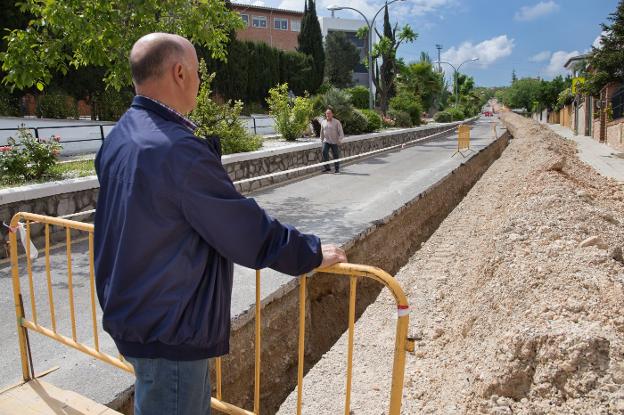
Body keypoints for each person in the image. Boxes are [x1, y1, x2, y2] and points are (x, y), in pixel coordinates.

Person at [93, 33, 347, 415]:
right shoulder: (176, 149)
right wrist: (308, 253)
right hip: (170, 329)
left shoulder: (121, 135)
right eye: (198, 73)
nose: (200, 82)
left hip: (134, 314)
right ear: (180, 72)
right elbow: (242, 228)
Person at [320, 108, 344, 173]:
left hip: (334, 141)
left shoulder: (337, 122)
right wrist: (321, 140)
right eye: (327, 113)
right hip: (326, 141)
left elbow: (341, 132)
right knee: (324, 152)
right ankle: (327, 168)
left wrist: (339, 140)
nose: (328, 114)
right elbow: (322, 132)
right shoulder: (323, 122)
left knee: (335, 155)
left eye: (329, 113)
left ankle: (337, 169)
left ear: (332, 114)